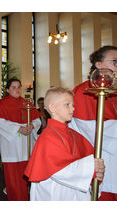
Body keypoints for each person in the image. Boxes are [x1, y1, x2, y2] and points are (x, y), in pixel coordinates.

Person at [25, 87, 105, 201]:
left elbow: (89, 158)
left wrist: (97, 170)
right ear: (52, 108)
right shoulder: (47, 137)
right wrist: (91, 167)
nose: (72, 109)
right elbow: (58, 170)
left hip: (74, 191)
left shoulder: (74, 134)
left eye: (73, 105)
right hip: (54, 192)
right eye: (67, 104)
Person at [69, 45, 117, 201]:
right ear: (99, 64)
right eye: (115, 62)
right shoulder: (84, 91)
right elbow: (90, 130)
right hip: (103, 158)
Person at [0, 78, 41, 201]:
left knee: (27, 177)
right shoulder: (1, 104)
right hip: (11, 146)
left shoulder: (27, 103)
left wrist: (32, 126)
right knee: (14, 179)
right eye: (13, 87)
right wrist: (18, 128)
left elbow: (37, 120)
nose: (17, 90)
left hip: (26, 145)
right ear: (7, 89)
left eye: (18, 87)